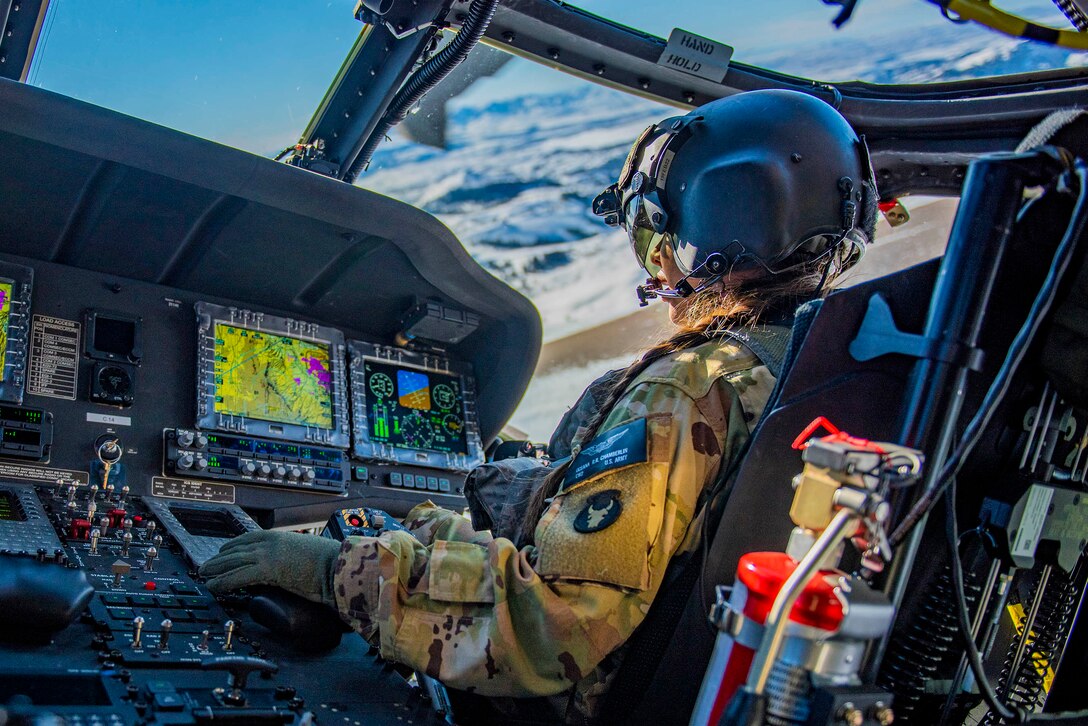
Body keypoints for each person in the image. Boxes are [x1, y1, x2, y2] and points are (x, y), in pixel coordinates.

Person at [199, 89, 879, 723]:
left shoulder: (691, 389)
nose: (657, 268)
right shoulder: (838, 367)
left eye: (656, 233)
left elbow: (549, 626)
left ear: (722, 219)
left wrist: (329, 571)